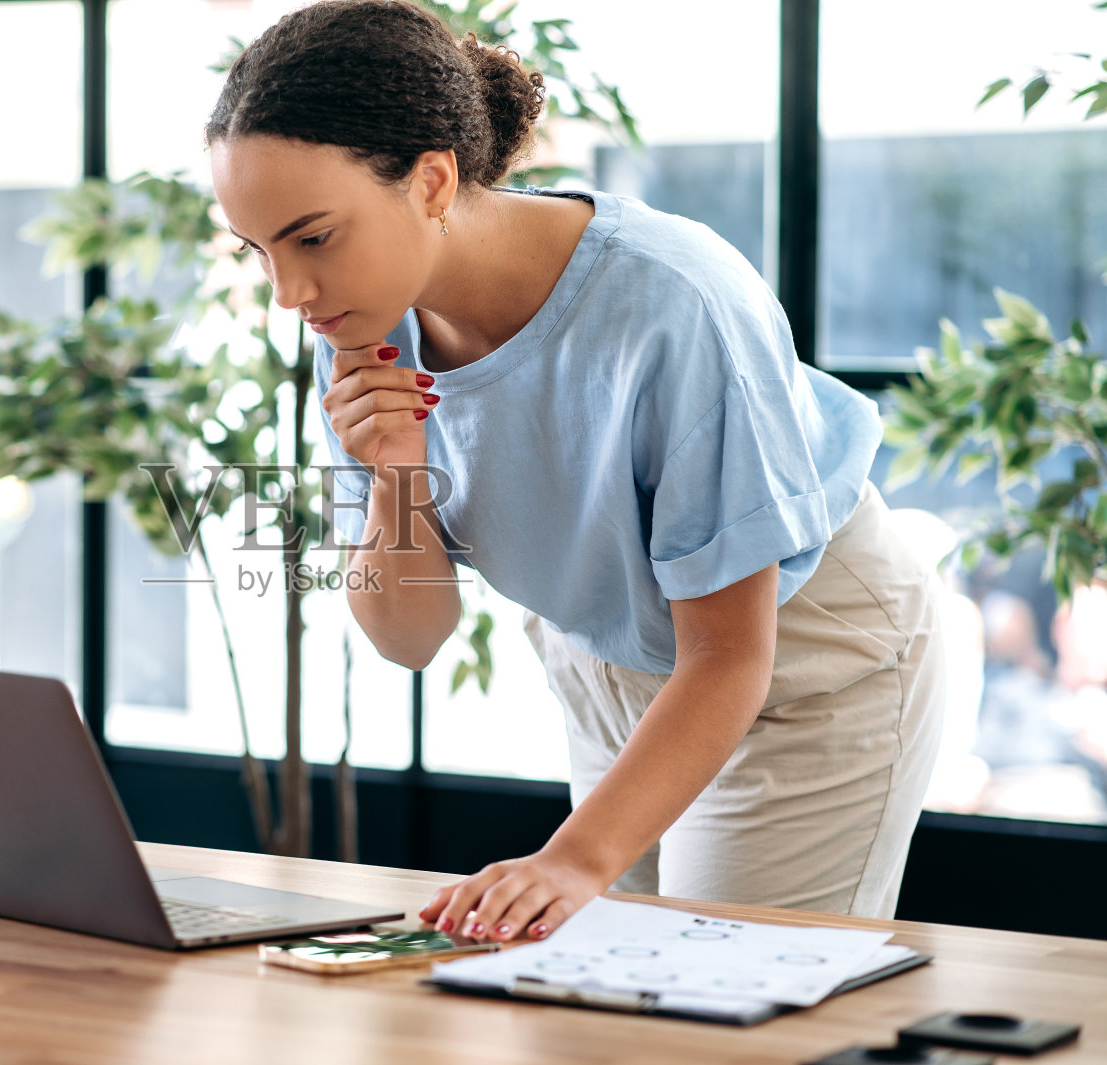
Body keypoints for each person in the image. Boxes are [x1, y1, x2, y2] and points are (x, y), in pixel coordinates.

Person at [204, 0, 944, 940]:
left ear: (432, 182)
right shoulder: (356, 322)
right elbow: (411, 638)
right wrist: (396, 475)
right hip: (609, 656)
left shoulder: (672, 302)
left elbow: (729, 654)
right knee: (602, 1006)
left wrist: (575, 855)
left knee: (719, 1001)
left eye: (312, 237)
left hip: (799, 661)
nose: (288, 292)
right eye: (258, 249)